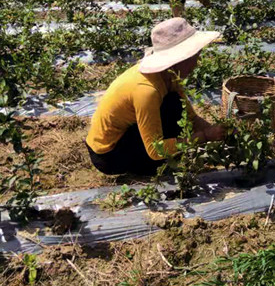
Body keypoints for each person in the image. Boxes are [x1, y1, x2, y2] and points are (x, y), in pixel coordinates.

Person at [86, 18, 226, 176]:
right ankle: (147, 168)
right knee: (171, 122)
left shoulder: (169, 77)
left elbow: (191, 118)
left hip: (124, 138)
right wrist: (205, 136)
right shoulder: (147, 90)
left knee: (174, 105)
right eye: (194, 57)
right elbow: (155, 149)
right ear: (180, 59)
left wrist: (217, 132)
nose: (196, 63)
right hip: (109, 155)